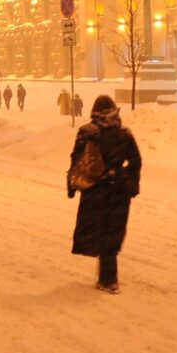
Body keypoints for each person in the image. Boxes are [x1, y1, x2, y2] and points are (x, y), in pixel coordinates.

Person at [66, 95, 142, 294]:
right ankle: (109, 277)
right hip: (118, 190)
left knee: (99, 230)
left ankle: (108, 279)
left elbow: (77, 160)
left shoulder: (87, 132)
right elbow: (136, 161)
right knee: (113, 231)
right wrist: (131, 182)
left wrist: (72, 186)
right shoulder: (124, 134)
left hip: (96, 190)